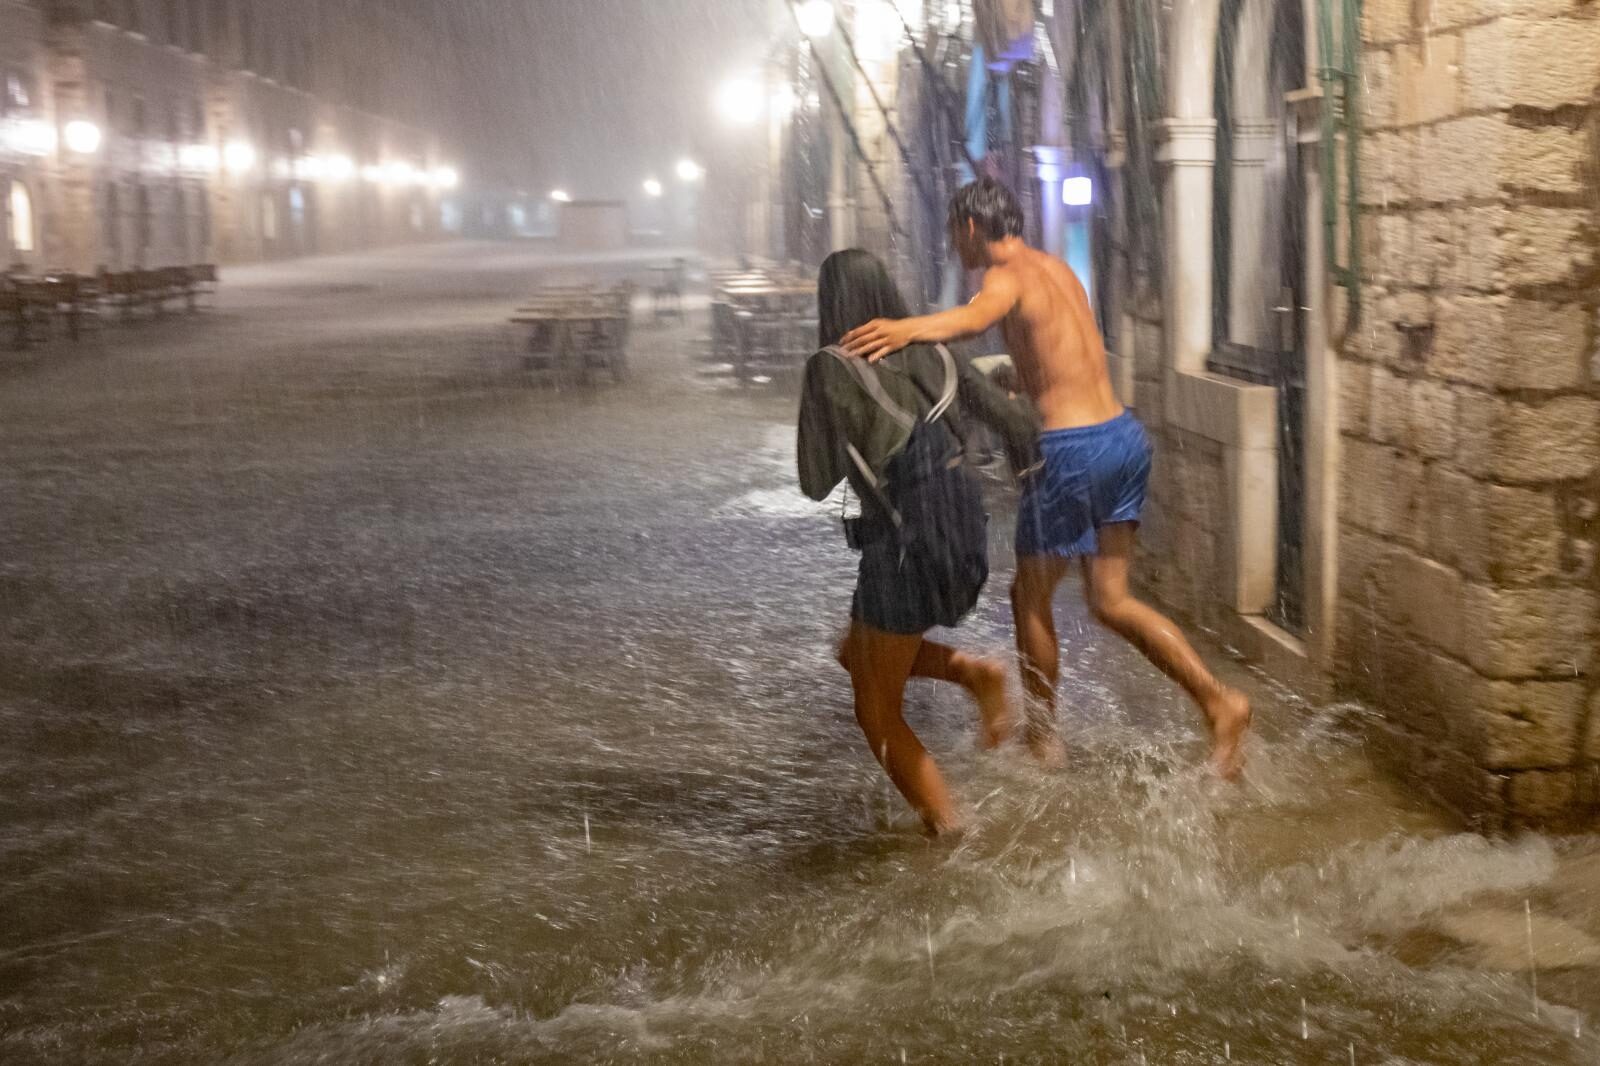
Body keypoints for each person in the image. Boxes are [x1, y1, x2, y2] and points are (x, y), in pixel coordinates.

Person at [842, 178, 1251, 779]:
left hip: (1071, 451)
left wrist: (903, 329)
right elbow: (1062, 352)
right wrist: (1022, 376)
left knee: (1028, 596)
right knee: (1111, 599)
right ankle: (1221, 701)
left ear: (973, 227)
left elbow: (974, 319)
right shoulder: (1056, 268)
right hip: (1121, 438)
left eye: (956, 233)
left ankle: (1041, 739)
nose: (955, 246)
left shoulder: (1002, 276)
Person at [798, 249, 1025, 836]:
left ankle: (949, 828)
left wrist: (831, 413)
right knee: (855, 652)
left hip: (907, 537)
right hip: (962, 524)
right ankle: (976, 675)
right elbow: (1012, 420)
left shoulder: (831, 364)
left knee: (873, 708)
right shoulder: (931, 346)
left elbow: (815, 480)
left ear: (831, 304)